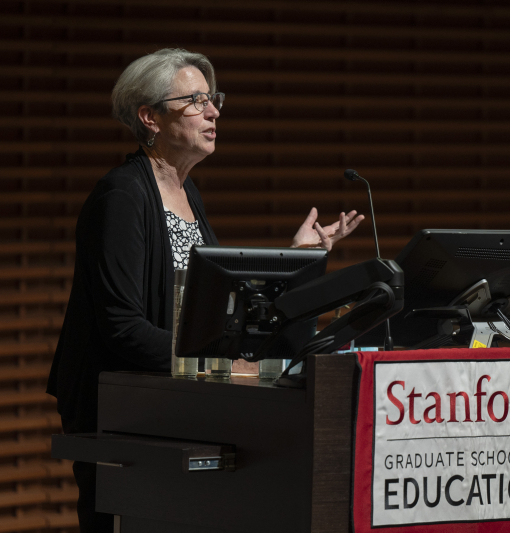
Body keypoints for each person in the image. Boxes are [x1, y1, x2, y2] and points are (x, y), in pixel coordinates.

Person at [45, 48, 364, 532]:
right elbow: (122, 328)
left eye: (212, 99)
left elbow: (214, 312)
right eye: (196, 100)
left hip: (178, 407)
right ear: (150, 116)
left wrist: (298, 257)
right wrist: (225, 368)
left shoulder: (186, 194)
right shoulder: (122, 197)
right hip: (122, 410)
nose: (213, 112)